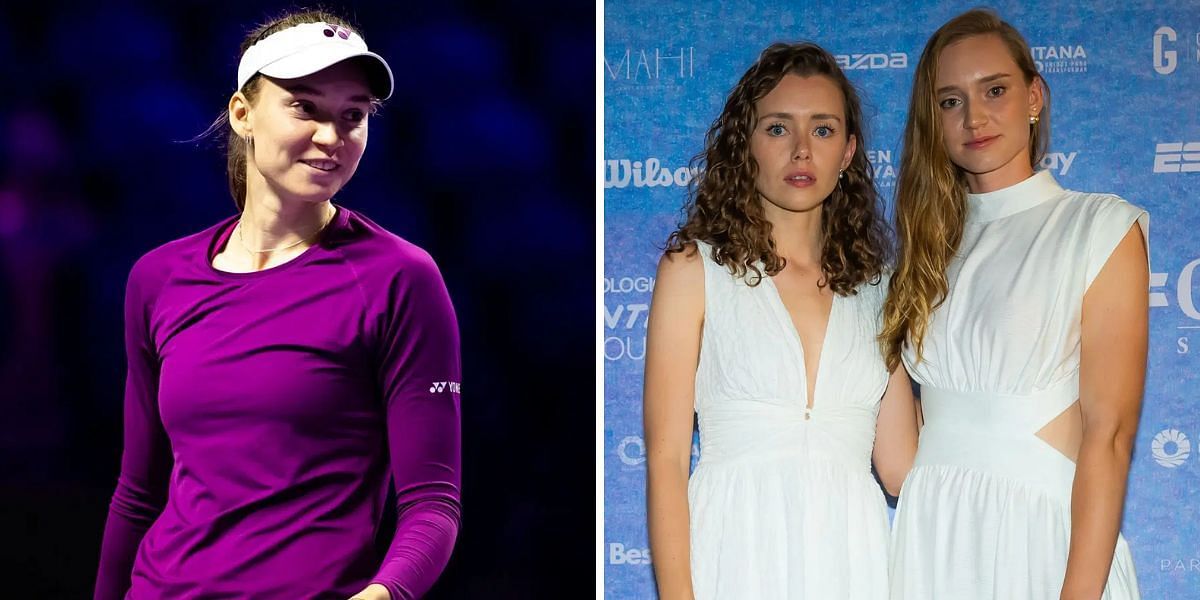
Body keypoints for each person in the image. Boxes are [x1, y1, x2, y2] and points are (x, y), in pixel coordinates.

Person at [93, 10, 461, 600]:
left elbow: (432, 505)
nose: (331, 136)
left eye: (353, 115)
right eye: (306, 107)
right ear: (243, 113)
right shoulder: (157, 279)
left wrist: (383, 594)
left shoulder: (401, 278)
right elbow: (139, 493)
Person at [881, 9, 1145, 599]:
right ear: (934, 122)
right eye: (950, 101)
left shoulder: (1099, 227)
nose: (974, 117)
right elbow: (901, 462)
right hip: (934, 538)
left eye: (994, 90)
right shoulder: (922, 257)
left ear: (1034, 96)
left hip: (1044, 539)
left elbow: (1111, 433)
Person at [643, 42, 919, 599]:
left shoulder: (878, 288)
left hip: (852, 566)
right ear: (745, 146)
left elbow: (899, 468)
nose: (800, 151)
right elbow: (668, 460)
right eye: (776, 129)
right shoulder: (695, 269)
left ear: (847, 153)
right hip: (732, 558)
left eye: (822, 130)